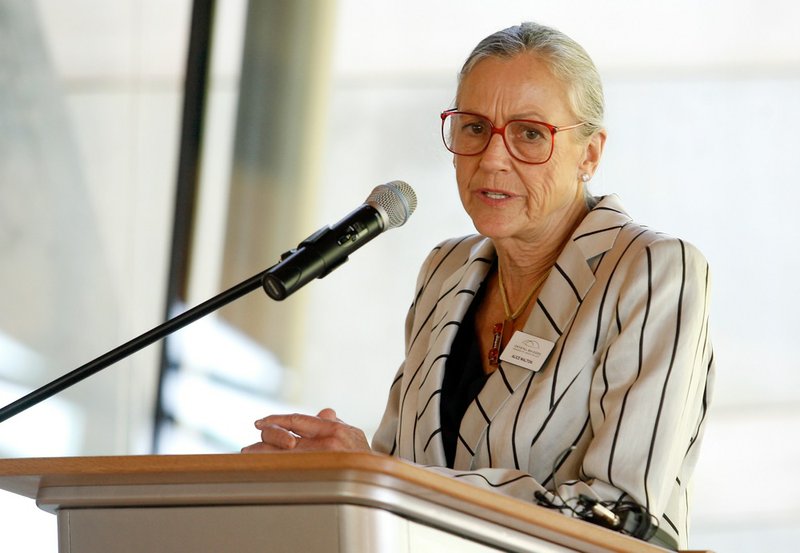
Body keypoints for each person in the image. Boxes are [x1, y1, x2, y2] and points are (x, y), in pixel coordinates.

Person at [243, 22, 714, 550]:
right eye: (473, 127)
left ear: (590, 155)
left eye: (530, 133)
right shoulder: (445, 271)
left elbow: (619, 519)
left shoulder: (652, 270)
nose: (492, 158)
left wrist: (376, 475)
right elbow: (396, 483)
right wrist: (333, 475)